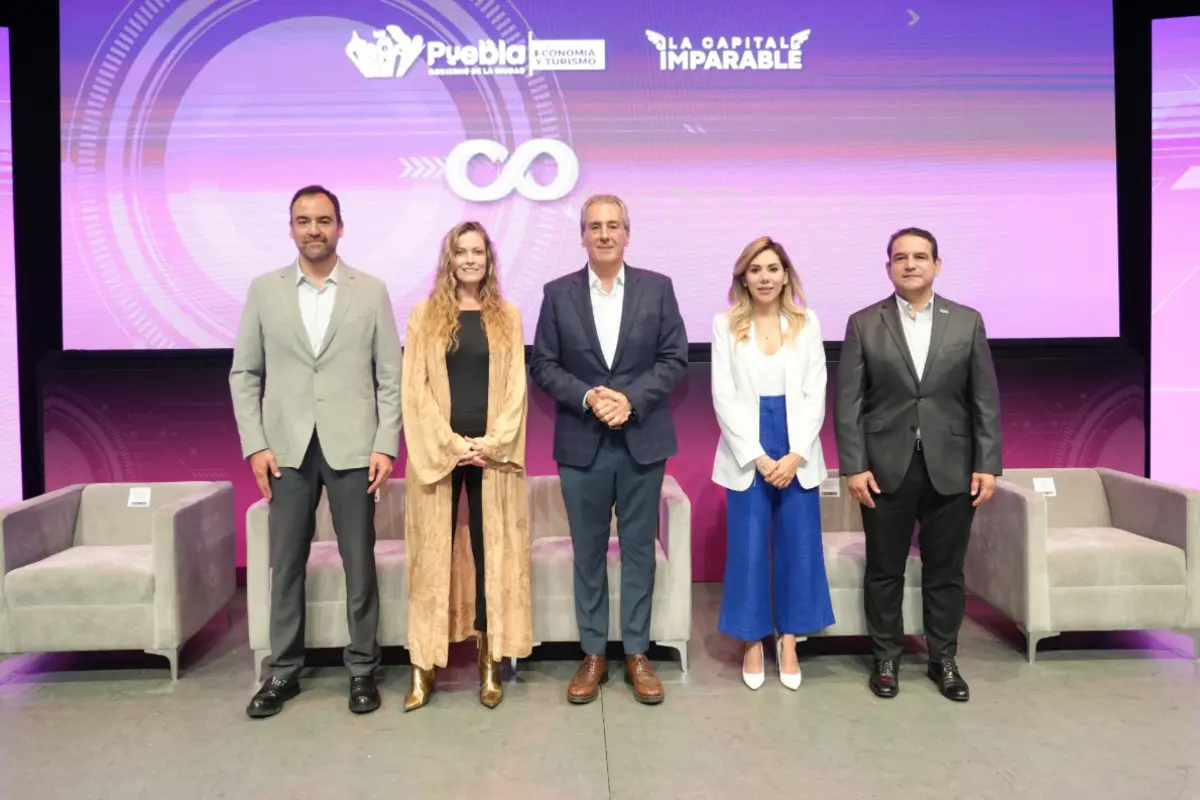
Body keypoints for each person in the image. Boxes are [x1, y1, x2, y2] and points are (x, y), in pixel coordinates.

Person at [230, 185, 402, 718]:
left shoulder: (370, 291)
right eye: (303, 221)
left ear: (340, 227)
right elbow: (245, 373)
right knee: (285, 564)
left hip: (355, 448)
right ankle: (283, 671)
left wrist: (386, 444)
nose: (314, 230)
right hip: (285, 450)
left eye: (324, 220)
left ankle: (362, 668)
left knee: (359, 564)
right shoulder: (265, 290)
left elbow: (390, 376)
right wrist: (256, 445)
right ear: (290, 229)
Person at [529, 194, 688, 706]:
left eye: (613, 225)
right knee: (588, 552)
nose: (604, 234)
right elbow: (544, 364)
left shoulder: (657, 288)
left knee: (640, 551)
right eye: (594, 226)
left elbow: (674, 357)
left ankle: (637, 652)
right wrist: (589, 397)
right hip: (582, 444)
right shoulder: (557, 294)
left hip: (642, 441)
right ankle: (594, 652)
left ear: (627, 234)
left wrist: (629, 400)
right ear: (582, 236)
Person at [834, 227, 1001, 702]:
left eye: (920, 257)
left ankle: (943, 658)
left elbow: (984, 398)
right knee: (884, 569)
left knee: (945, 571)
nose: (910, 264)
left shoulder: (966, 321)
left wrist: (988, 463)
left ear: (937, 265)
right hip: (885, 467)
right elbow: (848, 402)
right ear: (888, 267)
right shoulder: (864, 323)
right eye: (901, 257)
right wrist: (853, 466)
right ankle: (886, 658)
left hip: (954, 466)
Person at [400, 221, 532, 711]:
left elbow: (516, 388)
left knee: (489, 555)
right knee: (431, 557)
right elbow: (415, 388)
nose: (470, 260)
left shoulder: (507, 316)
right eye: (462, 252)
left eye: (478, 252)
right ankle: (423, 668)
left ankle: (489, 663)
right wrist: (452, 444)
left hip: (491, 456)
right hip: (439, 453)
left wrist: (490, 444)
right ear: (449, 260)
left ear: (489, 259)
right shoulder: (424, 315)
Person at [711, 237, 834, 691]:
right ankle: (751, 640)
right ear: (743, 278)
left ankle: (790, 642)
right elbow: (723, 396)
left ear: (786, 275)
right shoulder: (724, 325)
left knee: (800, 548)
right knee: (747, 549)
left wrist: (796, 454)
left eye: (772, 269)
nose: (764, 277)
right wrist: (760, 457)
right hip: (747, 451)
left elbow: (816, 390)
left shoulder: (807, 322)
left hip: (798, 447)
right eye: (755, 269)